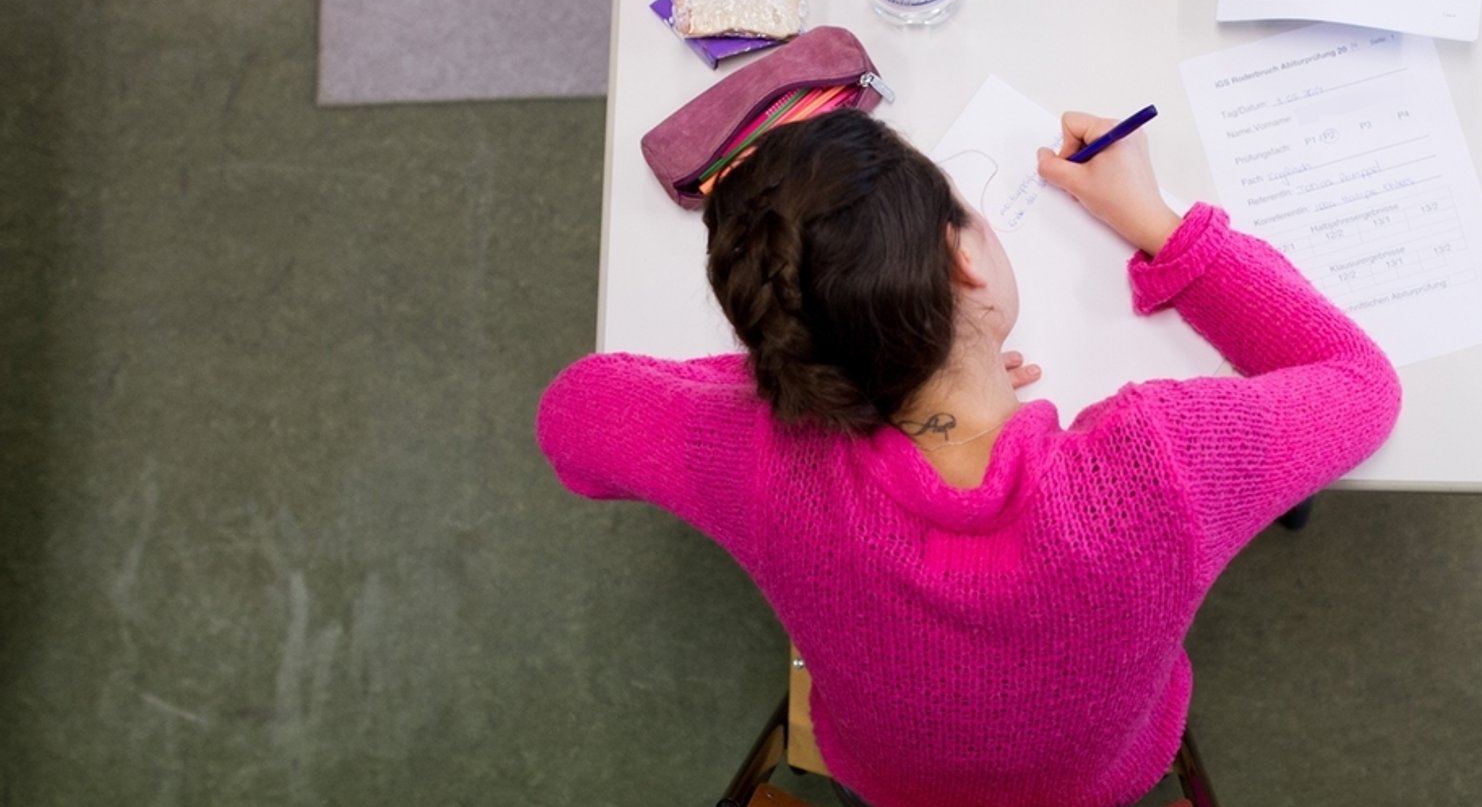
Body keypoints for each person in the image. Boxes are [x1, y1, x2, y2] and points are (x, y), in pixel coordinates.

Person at [535, 108, 1401, 807]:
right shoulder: (1164, 464)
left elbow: (572, 421)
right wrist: (1159, 224)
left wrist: (817, 383)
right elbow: (1363, 385)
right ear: (965, 258)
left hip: (884, 787)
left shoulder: (766, 457)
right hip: (1106, 784)